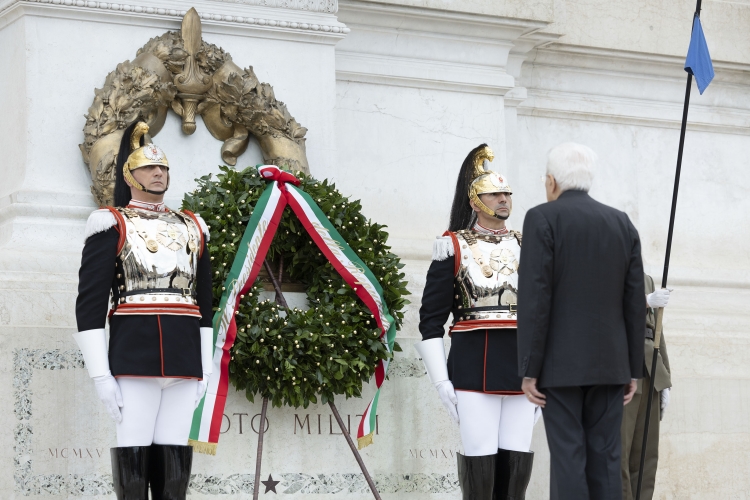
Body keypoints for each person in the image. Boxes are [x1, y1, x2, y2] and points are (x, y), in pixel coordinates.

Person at [74, 120, 213, 499]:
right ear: (129, 175)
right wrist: (101, 375)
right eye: (148, 167)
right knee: (133, 453)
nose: (157, 172)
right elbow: (89, 306)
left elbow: (204, 304)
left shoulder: (193, 227)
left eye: (163, 167)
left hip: (185, 360)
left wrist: (206, 366)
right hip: (135, 358)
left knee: (174, 460)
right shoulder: (110, 223)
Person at [517, 142, 645, 500]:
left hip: (559, 368)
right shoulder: (621, 222)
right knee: (606, 459)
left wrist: (529, 367)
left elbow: (535, 298)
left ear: (552, 182)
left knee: (568, 459)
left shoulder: (542, 218)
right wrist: (632, 369)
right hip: (611, 366)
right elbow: (635, 303)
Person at [417, 144, 537, 500]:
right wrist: (441, 381)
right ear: (475, 201)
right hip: (474, 367)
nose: (504, 199)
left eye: (506, 193)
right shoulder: (452, 245)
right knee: (480, 459)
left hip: (524, 368)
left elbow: (548, 315)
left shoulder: (528, 244)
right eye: (495, 194)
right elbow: (430, 322)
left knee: (516, 465)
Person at [621, 275, 672, 500]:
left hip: (650, 368)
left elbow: (657, 331)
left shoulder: (647, 279)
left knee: (645, 457)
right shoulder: (602, 265)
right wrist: (643, 300)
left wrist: (665, 378)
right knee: (618, 454)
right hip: (620, 365)